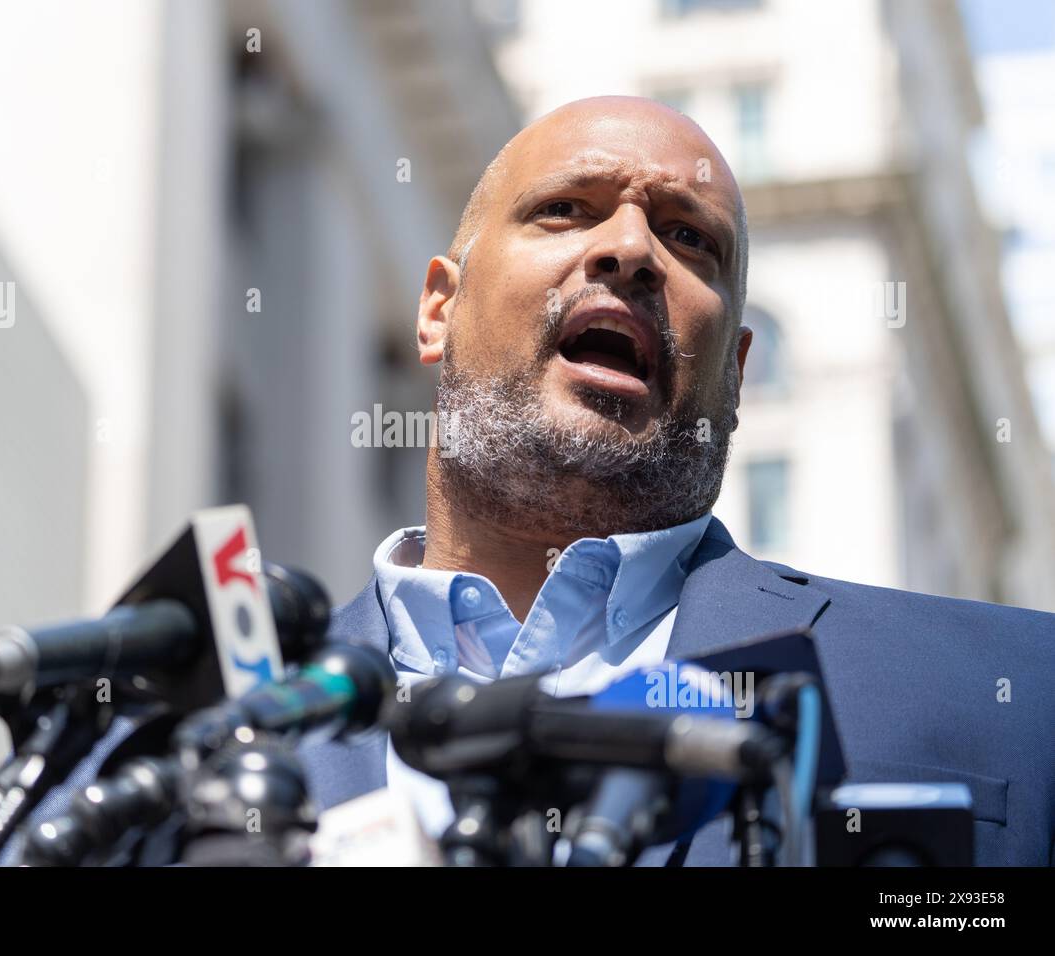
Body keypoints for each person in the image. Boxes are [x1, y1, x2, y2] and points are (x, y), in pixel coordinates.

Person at [298, 96, 1055, 866]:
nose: (630, 250)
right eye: (564, 210)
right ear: (438, 308)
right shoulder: (224, 718)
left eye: (688, 237)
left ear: (735, 369)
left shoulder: (1021, 688)